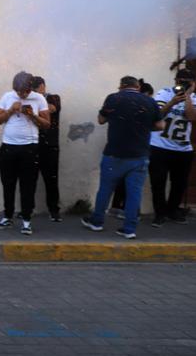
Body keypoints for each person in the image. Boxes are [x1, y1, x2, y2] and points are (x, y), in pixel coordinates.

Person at [82, 76, 163, 239]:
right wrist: (143, 128)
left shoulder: (114, 98)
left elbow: (101, 119)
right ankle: (129, 229)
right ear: (137, 86)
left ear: (121, 86)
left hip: (115, 154)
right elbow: (160, 125)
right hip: (140, 155)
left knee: (105, 189)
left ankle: (97, 222)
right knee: (134, 193)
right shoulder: (149, 101)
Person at [0, 71, 50, 235]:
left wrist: (33, 116)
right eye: (18, 91)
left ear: (30, 88)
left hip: (30, 148)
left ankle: (26, 220)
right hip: (8, 147)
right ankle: (7, 216)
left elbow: (46, 125)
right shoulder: (7, 97)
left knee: (28, 185)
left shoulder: (39, 99)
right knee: (8, 184)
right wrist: (10, 110)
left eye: (24, 92)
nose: (21, 94)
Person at [148, 69, 196, 227]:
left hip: (182, 149)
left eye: (186, 81)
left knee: (179, 183)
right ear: (175, 80)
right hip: (159, 145)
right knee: (158, 181)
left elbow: (191, 117)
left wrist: (187, 96)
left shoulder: (194, 97)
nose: (181, 84)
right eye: (179, 81)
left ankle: (172, 210)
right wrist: (173, 102)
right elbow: (157, 114)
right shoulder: (164, 93)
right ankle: (160, 213)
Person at [110, 79, 154, 218]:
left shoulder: (122, 102)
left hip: (122, 148)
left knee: (123, 181)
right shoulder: (144, 105)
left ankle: (118, 207)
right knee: (134, 185)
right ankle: (130, 212)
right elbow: (158, 124)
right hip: (137, 150)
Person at [31, 76, 62, 221]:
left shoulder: (53, 98)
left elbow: (51, 109)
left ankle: (54, 210)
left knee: (51, 179)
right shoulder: (31, 100)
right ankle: (28, 209)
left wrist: (32, 111)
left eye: (36, 89)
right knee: (30, 179)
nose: (34, 92)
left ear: (43, 86)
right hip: (33, 144)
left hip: (50, 145)